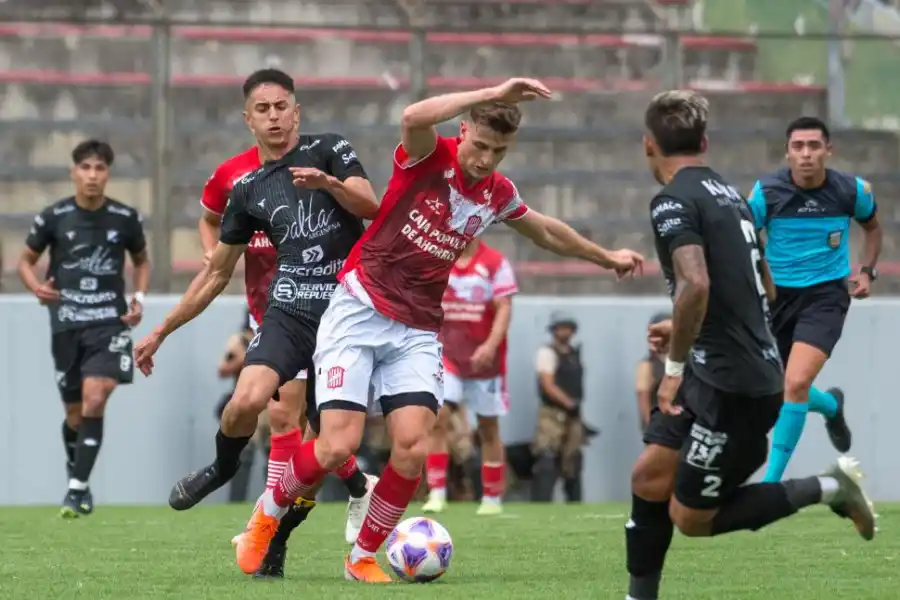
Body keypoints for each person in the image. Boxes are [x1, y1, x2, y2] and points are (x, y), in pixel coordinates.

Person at [236, 77, 645, 582]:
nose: (484, 159)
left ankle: (361, 558)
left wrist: (605, 258)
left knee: (412, 447)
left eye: (498, 151)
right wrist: (492, 91)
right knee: (336, 446)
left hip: (416, 329)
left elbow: (544, 230)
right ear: (464, 129)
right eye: (479, 144)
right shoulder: (427, 157)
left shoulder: (497, 194)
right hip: (358, 310)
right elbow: (412, 116)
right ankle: (266, 516)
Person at [624, 90, 876, 600]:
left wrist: (672, 364)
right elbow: (761, 281)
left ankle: (828, 488)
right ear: (705, 142)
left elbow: (696, 284)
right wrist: (687, 331)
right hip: (711, 366)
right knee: (649, 477)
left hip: (733, 387)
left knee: (692, 518)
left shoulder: (672, 200)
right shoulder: (731, 194)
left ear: (649, 146)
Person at [133, 68, 380, 570]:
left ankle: (279, 536)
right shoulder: (246, 189)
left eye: (282, 106)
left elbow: (371, 207)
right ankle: (224, 468)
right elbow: (216, 272)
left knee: (325, 450)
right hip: (287, 311)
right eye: (263, 109)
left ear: (297, 111)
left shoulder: (330, 148)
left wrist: (329, 184)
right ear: (248, 120)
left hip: (344, 318)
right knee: (245, 404)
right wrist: (161, 330)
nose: (274, 116)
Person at [17, 140, 150, 518]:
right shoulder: (53, 216)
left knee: (96, 395)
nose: (93, 175)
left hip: (109, 320)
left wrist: (138, 295)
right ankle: (79, 471)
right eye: (86, 168)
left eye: (100, 168)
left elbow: (141, 260)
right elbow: (25, 261)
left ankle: (76, 490)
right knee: (75, 413)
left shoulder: (125, 218)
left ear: (108, 173)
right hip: (66, 323)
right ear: (74, 172)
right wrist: (35, 286)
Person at [747, 115, 882, 483]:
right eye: (798, 147)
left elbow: (872, 228)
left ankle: (770, 485)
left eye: (814, 146)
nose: (806, 154)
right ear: (788, 152)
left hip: (825, 297)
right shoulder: (766, 193)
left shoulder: (850, 191)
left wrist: (867, 271)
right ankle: (831, 406)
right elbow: (744, 236)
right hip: (777, 298)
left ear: (828, 150)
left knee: (794, 384)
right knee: (780, 388)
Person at [422, 239, 516, 516]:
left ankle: (491, 496)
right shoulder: (440, 258)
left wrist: (489, 346)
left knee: (488, 427)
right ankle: (437, 492)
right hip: (447, 355)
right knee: (437, 418)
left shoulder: (495, 263)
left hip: (484, 361)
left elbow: (504, 308)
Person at [531, 312, 594, 502]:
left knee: (573, 460)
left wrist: (575, 408)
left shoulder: (574, 353)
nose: (564, 331)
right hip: (552, 413)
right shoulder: (547, 352)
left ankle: (574, 504)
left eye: (568, 327)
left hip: (573, 414)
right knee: (547, 458)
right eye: (561, 327)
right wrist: (568, 403)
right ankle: (541, 503)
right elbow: (547, 384)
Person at [634, 312, 670, 432]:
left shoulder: (680, 360)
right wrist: (651, 424)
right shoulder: (647, 364)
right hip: (659, 425)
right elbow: (642, 395)